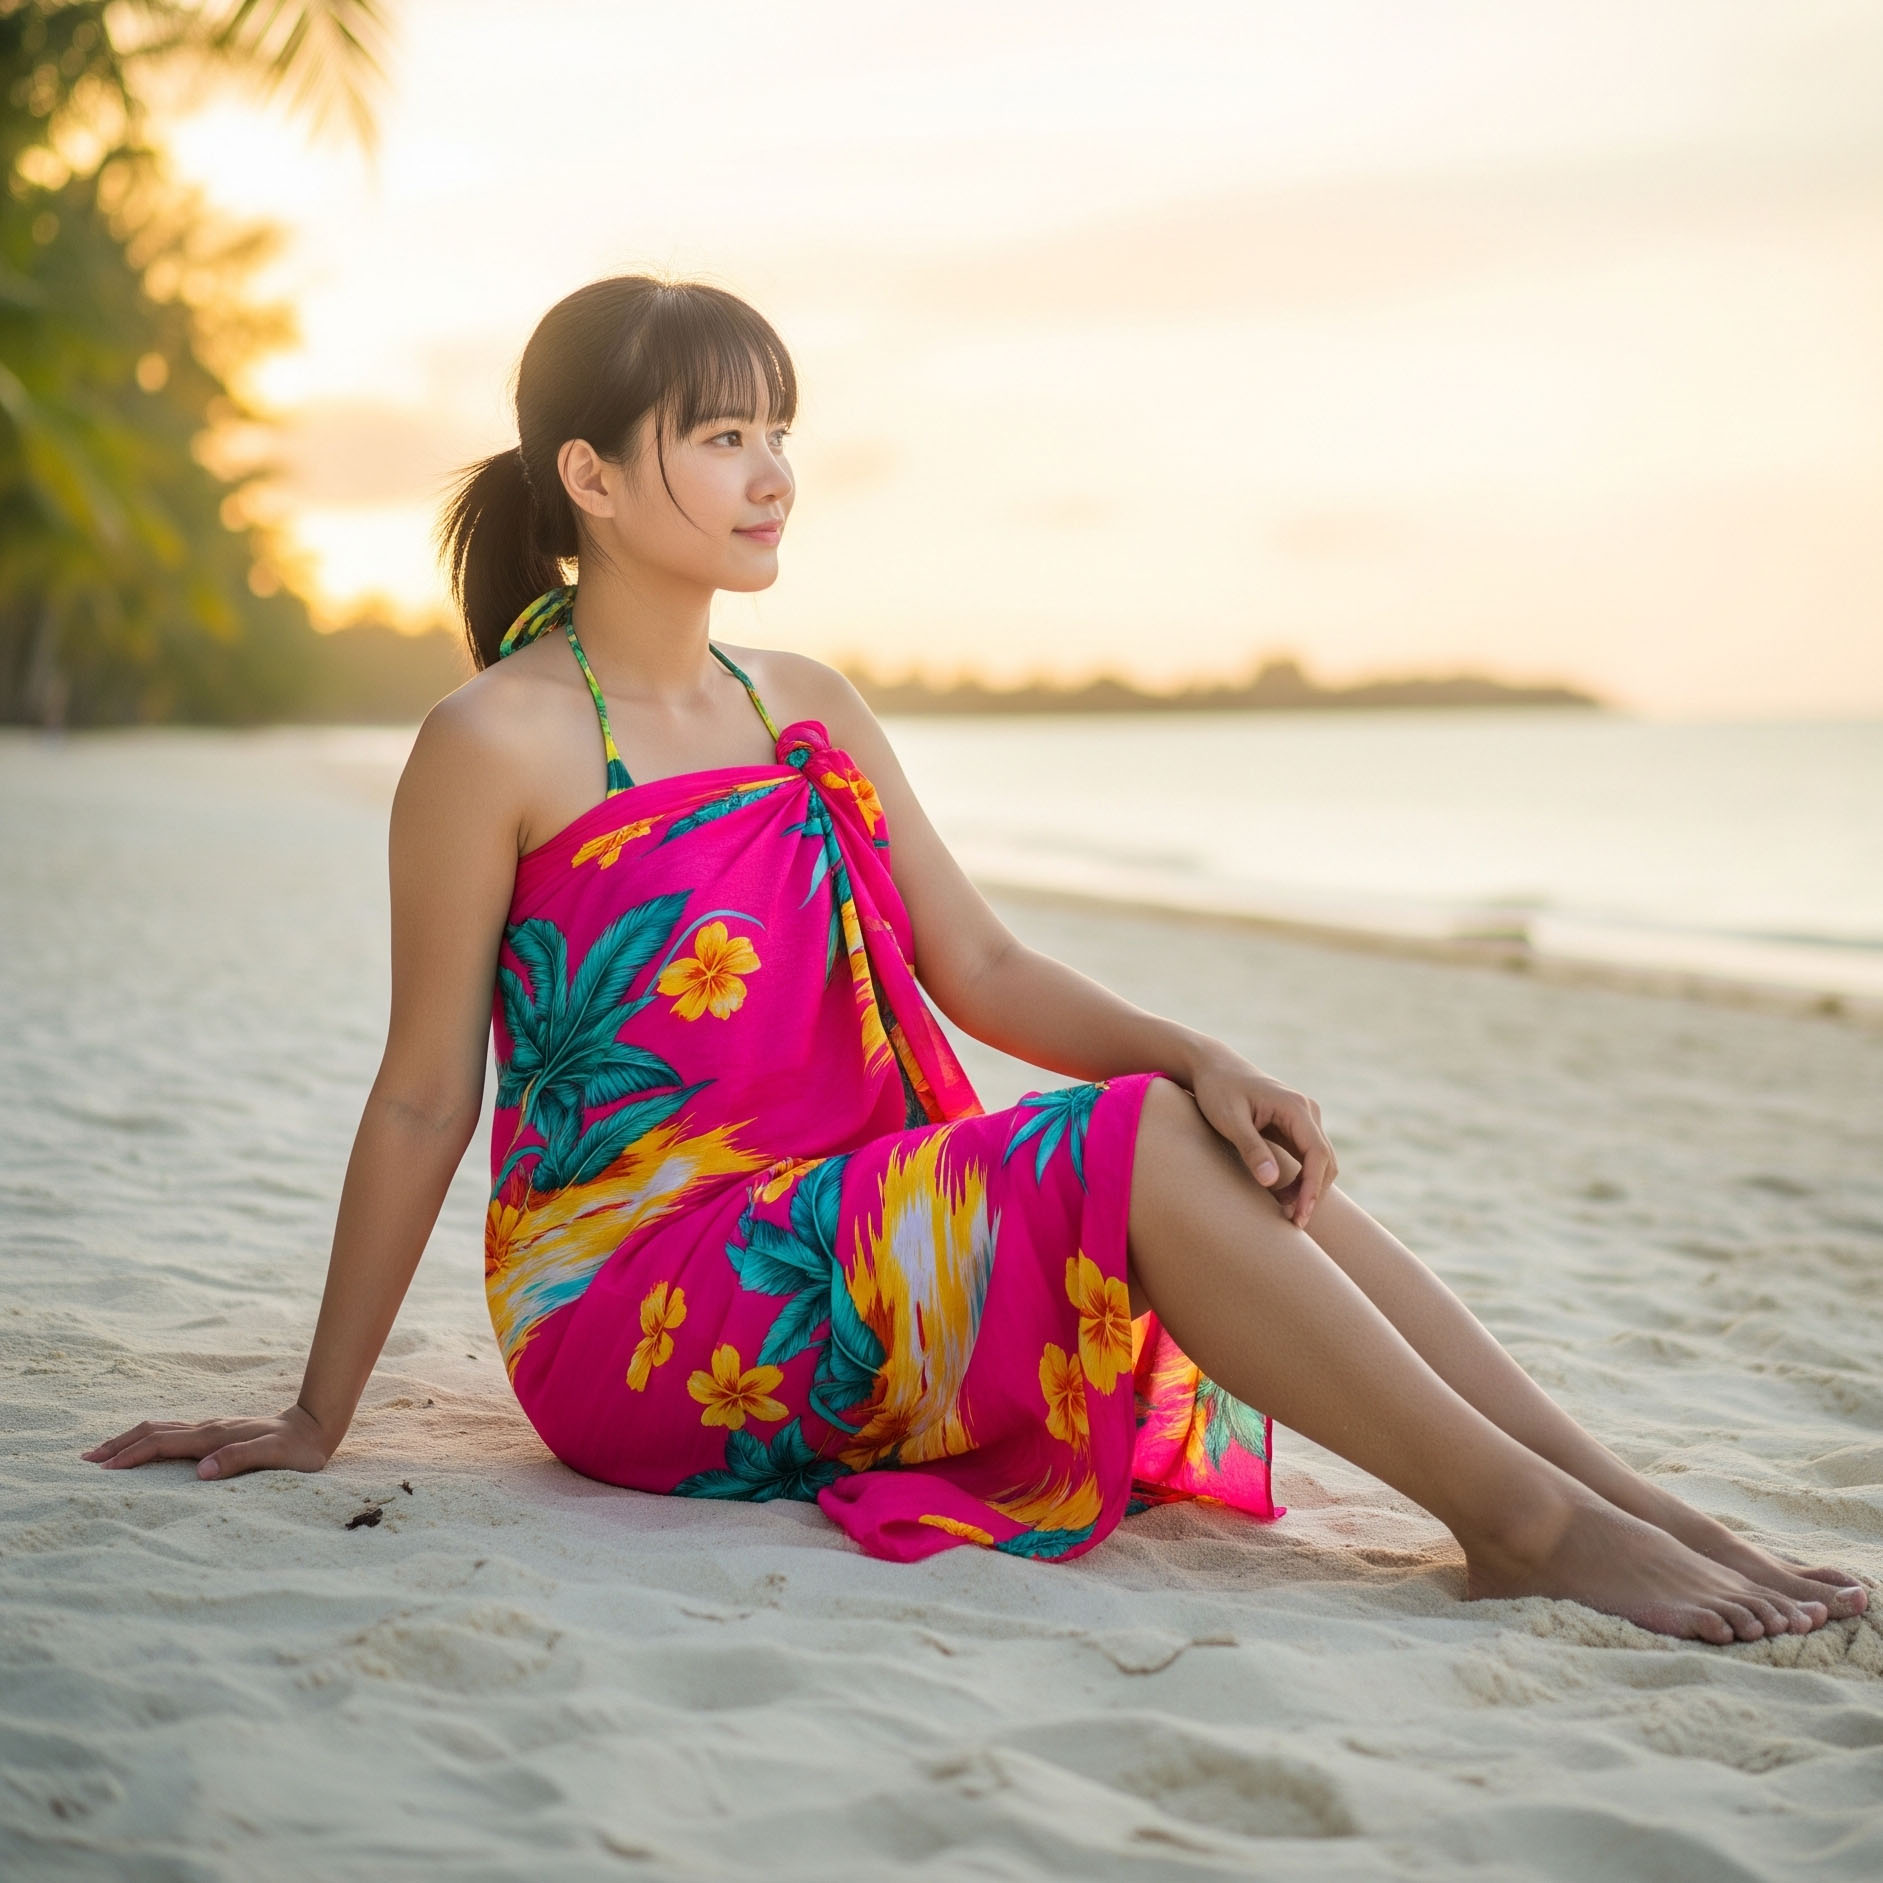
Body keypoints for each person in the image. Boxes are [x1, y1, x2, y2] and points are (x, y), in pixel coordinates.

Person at [84, 276, 1865, 1644]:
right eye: (722, 436)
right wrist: (317, 1412)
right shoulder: (496, 741)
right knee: (1130, 1138)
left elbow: (985, 966)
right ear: (592, 478)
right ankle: (1528, 1529)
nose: (773, 474)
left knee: (1199, 1122)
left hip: (842, 1235)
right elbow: (421, 1099)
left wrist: (1201, 1052)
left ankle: (1607, 1493)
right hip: (637, 1311)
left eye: (780, 430)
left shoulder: (805, 702)